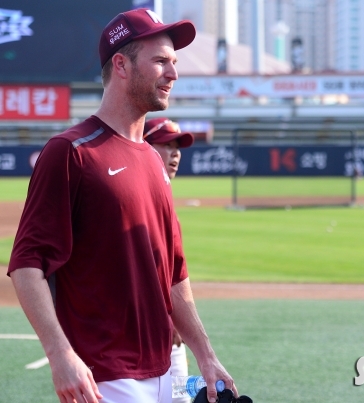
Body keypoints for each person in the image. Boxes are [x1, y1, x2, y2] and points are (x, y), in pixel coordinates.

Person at [8, 8, 234, 403]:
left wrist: (206, 355)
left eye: (175, 62)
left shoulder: (152, 159)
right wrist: (60, 354)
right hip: (106, 378)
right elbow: (28, 265)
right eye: (161, 61)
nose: (173, 73)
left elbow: (174, 275)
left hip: (166, 370)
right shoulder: (69, 151)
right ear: (121, 65)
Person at [144, 117, 195, 403]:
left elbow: (170, 271)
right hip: (141, 335)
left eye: (178, 147)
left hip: (169, 335)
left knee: (180, 398)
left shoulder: (164, 196)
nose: (175, 153)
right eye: (166, 145)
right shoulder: (134, 196)